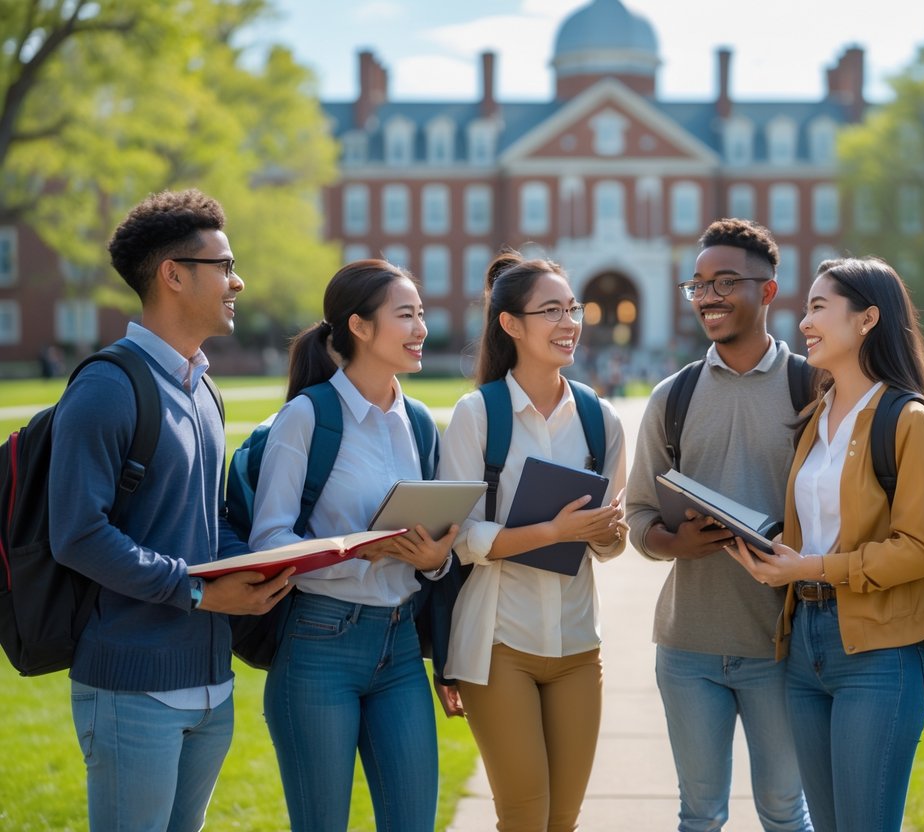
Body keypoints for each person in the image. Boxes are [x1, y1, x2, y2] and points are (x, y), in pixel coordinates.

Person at [48, 188, 293, 832]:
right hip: (134, 687)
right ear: (174, 275)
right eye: (225, 265)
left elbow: (203, 522)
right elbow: (77, 534)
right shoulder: (107, 386)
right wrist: (196, 592)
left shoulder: (201, 386)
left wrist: (264, 563)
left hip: (211, 686)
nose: (237, 281)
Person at [726, 257, 924, 832]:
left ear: (868, 318)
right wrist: (773, 557)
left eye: (820, 308)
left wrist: (814, 566)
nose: (804, 323)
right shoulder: (815, 416)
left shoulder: (907, 419)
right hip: (804, 648)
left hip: (878, 653)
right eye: (806, 310)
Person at [249, 260, 459, 832]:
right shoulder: (306, 417)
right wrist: (353, 548)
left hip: (399, 650)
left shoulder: (418, 423)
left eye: (421, 314)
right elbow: (269, 538)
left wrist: (433, 559)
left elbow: (437, 546)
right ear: (360, 327)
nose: (421, 328)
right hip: (319, 644)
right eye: (406, 315)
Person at [625, 218, 811, 832]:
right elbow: (638, 517)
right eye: (698, 283)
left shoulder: (813, 389)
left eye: (725, 281)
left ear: (769, 291)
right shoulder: (671, 398)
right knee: (698, 815)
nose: (708, 295)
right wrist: (670, 541)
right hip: (688, 648)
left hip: (782, 646)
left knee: (785, 811)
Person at [439, 248, 627, 832]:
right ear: (511, 324)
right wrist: (552, 531)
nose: (569, 322)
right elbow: (458, 536)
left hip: (577, 646)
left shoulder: (602, 421)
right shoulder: (478, 416)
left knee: (563, 820)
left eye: (572, 308)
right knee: (524, 816)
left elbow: (610, 544)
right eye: (551, 311)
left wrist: (607, 534)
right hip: (498, 646)